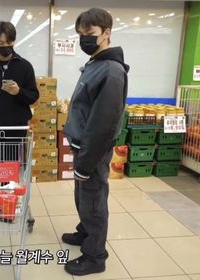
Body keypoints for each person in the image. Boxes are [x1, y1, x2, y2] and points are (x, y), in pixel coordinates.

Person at [63, 8, 129, 276]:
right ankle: (86, 232)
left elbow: (102, 126)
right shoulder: (95, 63)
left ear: (106, 33)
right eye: (81, 34)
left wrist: (86, 163)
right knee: (83, 196)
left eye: (89, 34)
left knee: (94, 200)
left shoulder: (111, 71)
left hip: (93, 150)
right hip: (82, 146)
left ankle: (95, 256)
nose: (84, 39)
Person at [0, 21, 39, 138]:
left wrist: (19, 92)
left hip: (18, 129)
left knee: (16, 157)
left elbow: (33, 96)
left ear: (14, 41)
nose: (5, 46)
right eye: (1, 43)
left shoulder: (25, 66)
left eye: (9, 42)